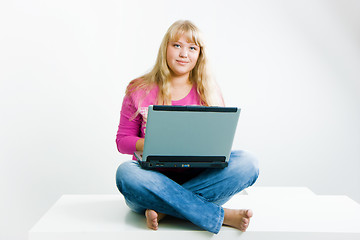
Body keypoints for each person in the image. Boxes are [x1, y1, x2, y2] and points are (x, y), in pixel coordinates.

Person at [115, 20, 259, 234]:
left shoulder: (209, 90)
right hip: (151, 180)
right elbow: (122, 141)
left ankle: (164, 210)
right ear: (165, 48)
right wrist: (159, 144)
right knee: (125, 173)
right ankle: (219, 216)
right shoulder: (139, 88)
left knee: (248, 162)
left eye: (192, 48)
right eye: (177, 45)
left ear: (199, 55)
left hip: (199, 179)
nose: (184, 53)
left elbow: (219, 143)